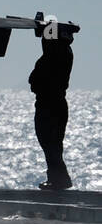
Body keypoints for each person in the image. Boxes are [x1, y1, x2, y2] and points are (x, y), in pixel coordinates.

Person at [30, 31, 74, 191]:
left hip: (47, 105)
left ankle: (60, 179)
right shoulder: (66, 54)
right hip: (58, 104)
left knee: (49, 143)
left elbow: (33, 80)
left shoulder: (50, 59)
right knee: (54, 145)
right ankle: (57, 178)